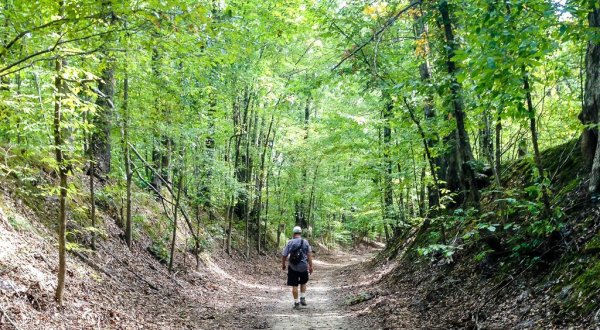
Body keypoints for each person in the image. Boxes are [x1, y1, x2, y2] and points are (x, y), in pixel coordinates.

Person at [281, 226, 313, 309]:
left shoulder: (290, 242)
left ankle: (296, 303)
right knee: (303, 282)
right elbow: (309, 255)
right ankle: (303, 298)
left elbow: (284, 255)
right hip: (303, 266)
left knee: (294, 285)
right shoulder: (305, 242)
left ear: (293, 233)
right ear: (300, 233)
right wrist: (310, 266)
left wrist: (283, 264)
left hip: (293, 266)